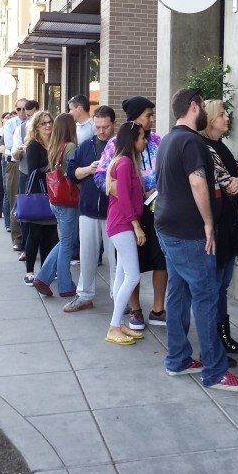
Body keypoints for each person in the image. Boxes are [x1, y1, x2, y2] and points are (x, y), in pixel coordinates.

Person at [155, 87, 238, 393]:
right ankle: (215, 372)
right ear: (195, 107)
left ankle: (178, 359)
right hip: (190, 235)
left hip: (168, 229)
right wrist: (209, 224)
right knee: (207, 298)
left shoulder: (169, 139)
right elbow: (198, 184)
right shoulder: (192, 142)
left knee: (178, 293)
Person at [94, 95, 167, 331]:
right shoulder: (118, 144)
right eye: (148, 115)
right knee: (131, 265)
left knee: (160, 259)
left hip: (156, 210)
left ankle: (158, 309)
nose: (152, 119)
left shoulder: (156, 140)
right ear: (136, 117)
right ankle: (134, 310)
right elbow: (101, 178)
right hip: (129, 215)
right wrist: (130, 193)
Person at [199, 100, 238, 366]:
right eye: (222, 114)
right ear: (211, 120)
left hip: (230, 227)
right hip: (217, 227)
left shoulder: (222, 146)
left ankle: (224, 338)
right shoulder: (207, 149)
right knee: (216, 286)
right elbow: (225, 181)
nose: (227, 117)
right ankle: (215, 343)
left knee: (223, 285)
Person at [64, 105, 117, 312]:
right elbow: (71, 173)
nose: (101, 131)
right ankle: (84, 295)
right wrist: (90, 169)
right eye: (98, 127)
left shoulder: (121, 146)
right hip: (87, 209)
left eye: (105, 127)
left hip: (113, 211)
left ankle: (118, 296)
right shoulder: (86, 145)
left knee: (115, 258)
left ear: (113, 124)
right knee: (87, 256)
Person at [105, 122, 147, 345]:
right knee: (133, 276)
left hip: (120, 225)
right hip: (123, 225)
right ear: (132, 140)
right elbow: (123, 197)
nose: (145, 140)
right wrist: (136, 225)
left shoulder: (123, 162)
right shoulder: (124, 163)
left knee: (122, 276)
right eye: (142, 137)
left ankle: (117, 323)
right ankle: (114, 326)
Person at [32, 113, 79, 298]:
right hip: (67, 201)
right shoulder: (70, 146)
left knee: (64, 241)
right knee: (67, 243)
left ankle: (44, 277)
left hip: (55, 200)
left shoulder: (54, 145)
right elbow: (73, 174)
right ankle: (64, 284)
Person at [23, 111, 59, 286]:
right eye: (43, 123)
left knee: (49, 236)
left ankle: (45, 271)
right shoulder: (33, 146)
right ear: (36, 127)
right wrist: (51, 168)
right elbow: (33, 173)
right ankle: (29, 272)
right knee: (34, 234)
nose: (48, 125)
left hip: (53, 194)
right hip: (38, 195)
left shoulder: (54, 143)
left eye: (50, 122)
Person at [11, 100, 40, 261]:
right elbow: (14, 156)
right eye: (27, 116)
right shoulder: (20, 129)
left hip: (43, 175)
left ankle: (44, 247)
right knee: (26, 211)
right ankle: (26, 248)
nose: (29, 119)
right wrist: (19, 152)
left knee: (45, 212)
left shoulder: (49, 127)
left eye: (32, 115)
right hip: (25, 173)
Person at [3, 98, 28, 252]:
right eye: (19, 109)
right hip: (14, 163)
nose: (22, 112)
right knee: (15, 201)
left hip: (30, 163)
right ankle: (18, 239)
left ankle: (30, 238)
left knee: (30, 200)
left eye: (24, 108)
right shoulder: (11, 124)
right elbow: (12, 146)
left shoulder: (36, 123)